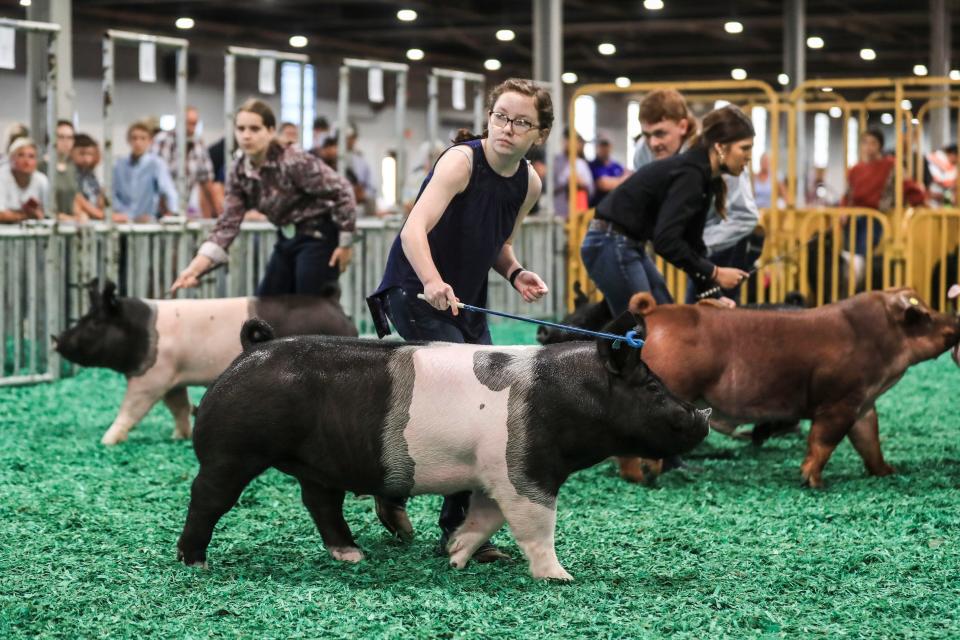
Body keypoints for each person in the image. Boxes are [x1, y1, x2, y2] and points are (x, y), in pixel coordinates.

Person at [367, 78, 552, 563]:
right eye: (500, 116)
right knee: (460, 406)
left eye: (520, 122)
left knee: (488, 409)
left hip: (465, 303)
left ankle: (444, 521)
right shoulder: (460, 160)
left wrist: (515, 272)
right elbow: (413, 230)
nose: (506, 128)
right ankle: (395, 491)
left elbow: (498, 243)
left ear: (540, 133)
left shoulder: (529, 182)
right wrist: (430, 281)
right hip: (414, 290)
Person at [170, 99, 356, 296]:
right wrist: (196, 267)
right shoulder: (238, 170)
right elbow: (227, 224)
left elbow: (342, 190)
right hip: (286, 239)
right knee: (266, 306)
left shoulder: (293, 159)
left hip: (319, 237)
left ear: (270, 131)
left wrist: (345, 243)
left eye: (254, 129)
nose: (246, 135)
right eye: (240, 129)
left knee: (311, 308)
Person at [581, 106, 754, 315]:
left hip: (623, 244)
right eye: (744, 148)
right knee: (651, 327)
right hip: (610, 242)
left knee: (666, 320)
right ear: (720, 147)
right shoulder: (692, 175)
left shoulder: (701, 176)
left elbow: (692, 245)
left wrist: (713, 295)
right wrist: (715, 272)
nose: (749, 157)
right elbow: (666, 241)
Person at [633, 89, 762, 303]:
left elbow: (745, 216)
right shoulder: (643, 152)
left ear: (683, 126)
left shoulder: (719, 153)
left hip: (724, 239)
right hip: (684, 242)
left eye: (660, 133)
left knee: (709, 314)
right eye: (647, 135)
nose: (653, 143)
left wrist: (697, 252)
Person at [151, 106, 220, 218]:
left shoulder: (199, 146)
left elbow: (207, 182)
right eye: (189, 123)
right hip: (155, 212)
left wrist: (218, 214)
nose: (192, 128)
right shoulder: (161, 141)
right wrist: (166, 211)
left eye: (195, 124)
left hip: (180, 211)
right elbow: (153, 179)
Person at [113, 121, 180, 221]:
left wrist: (174, 215)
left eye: (143, 138)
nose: (138, 142)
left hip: (148, 221)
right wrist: (121, 213)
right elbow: (113, 194)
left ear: (150, 141)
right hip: (122, 220)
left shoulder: (157, 164)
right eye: (134, 138)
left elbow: (169, 190)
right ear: (128, 140)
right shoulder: (119, 165)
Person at [0, 138, 50, 223]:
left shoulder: (42, 180)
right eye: (21, 155)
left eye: (31, 156)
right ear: (11, 158)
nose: (26, 161)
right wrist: (26, 215)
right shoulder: (2, 177)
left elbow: (48, 214)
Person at [553, 130, 593, 218]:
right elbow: (548, 188)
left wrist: (582, 183)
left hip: (578, 215)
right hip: (559, 214)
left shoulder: (581, 163)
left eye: (574, 140)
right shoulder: (555, 162)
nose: (571, 143)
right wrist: (566, 183)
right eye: (568, 140)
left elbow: (591, 189)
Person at [588, 133, 628, 207]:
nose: (604, 149)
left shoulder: (617, 166)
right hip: (597, 208)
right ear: (597, 147)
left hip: (614, 208)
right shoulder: (592, 165)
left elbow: (629, 181)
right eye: (601, 145)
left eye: (606, 145)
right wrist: (622, 180)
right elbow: (603, 184)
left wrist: (616, 182)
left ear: (611, 146)